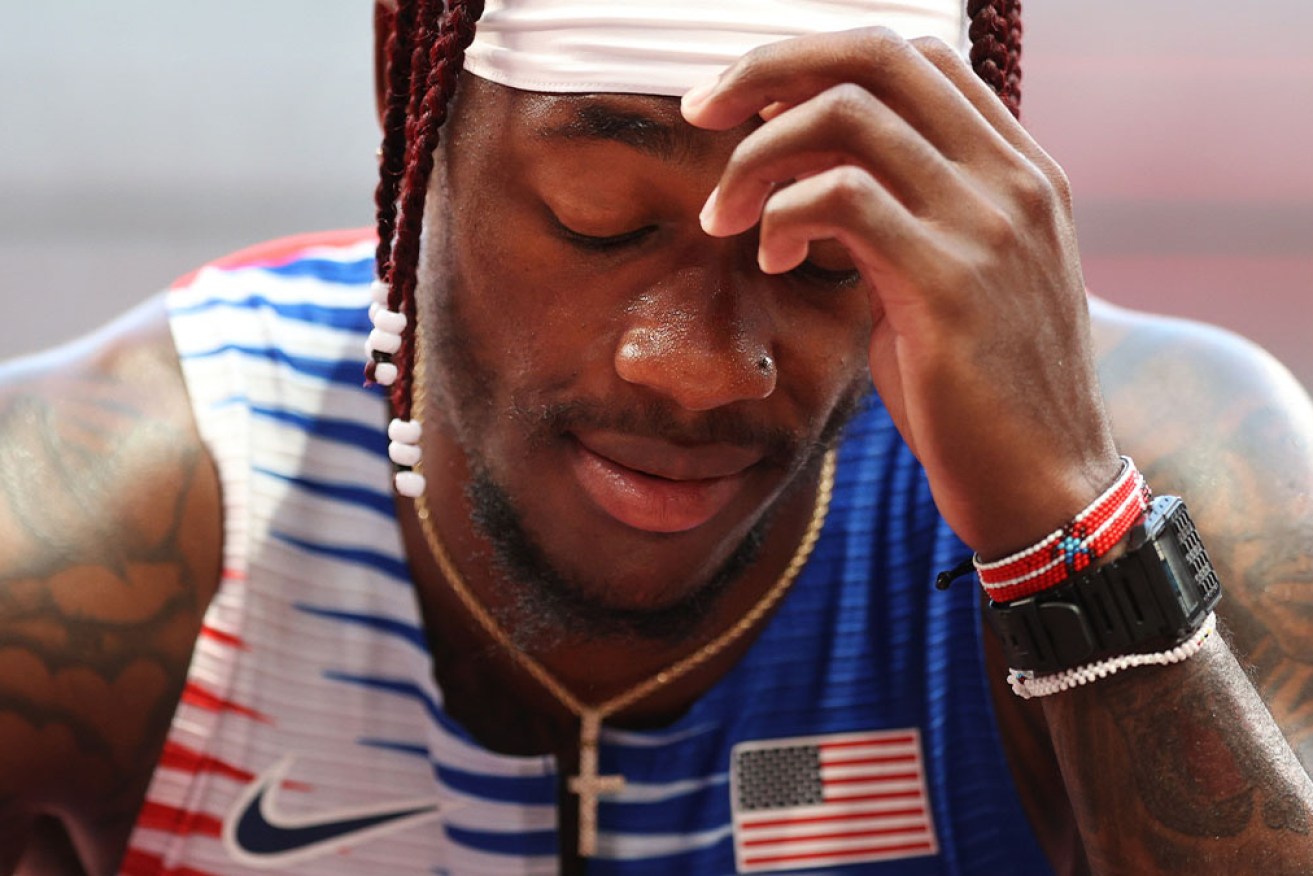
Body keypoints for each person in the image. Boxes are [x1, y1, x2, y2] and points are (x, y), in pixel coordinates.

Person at [2, 0, 1312, 873]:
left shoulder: (1170, 465)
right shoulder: (100, 528)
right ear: (418, 119)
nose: (693, 371)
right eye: (600, 217)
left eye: (819, 254)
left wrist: (1072, 546)